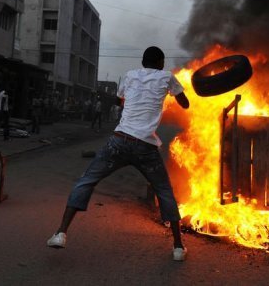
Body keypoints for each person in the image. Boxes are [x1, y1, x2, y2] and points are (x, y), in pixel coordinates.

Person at [47, 46, 190, 261]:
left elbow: (120, 100)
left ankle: (60, 233)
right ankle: (178, 248)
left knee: (87, 181)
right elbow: (185, 104)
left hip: (119, 141)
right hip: (145, 146)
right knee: (164, 191)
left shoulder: (130, 75)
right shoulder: (167, 77)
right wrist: (174, 96)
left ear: (143, 62)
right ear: (161, 62)